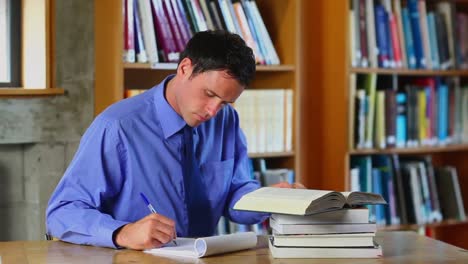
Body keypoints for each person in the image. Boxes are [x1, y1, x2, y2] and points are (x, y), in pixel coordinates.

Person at [46, 30, 302, 250]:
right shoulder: (117, 127)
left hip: (204, 256)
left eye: (225, 102)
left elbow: (234, 193)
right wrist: (122, 232)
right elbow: (62, 212)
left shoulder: (226, 121)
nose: (213, 111)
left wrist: (269, 199)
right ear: (184, 68)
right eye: (209, 94)